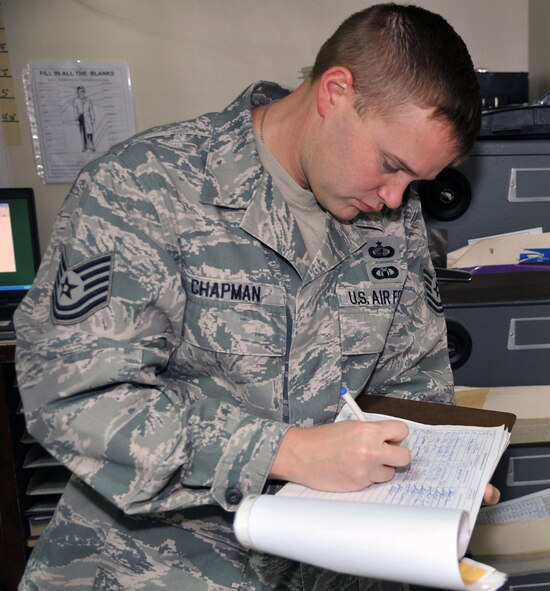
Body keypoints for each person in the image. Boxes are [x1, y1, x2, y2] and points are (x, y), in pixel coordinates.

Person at [15, 4, 489, 590]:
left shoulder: (389, 221)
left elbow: (412, 382)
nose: (396, 198)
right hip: (155, 565)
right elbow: (72, 397)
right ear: (335, 91)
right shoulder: (145, 187)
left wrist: (435, 472)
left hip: (331, 563)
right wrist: (285, 452)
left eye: (413, 181)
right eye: (390, 165)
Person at [72, 85, 95, 152]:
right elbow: (75, 111)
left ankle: (91, 145)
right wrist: (76, 119)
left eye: (82, 92)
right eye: (79, 92)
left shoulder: (88, 100)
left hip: (87, 117)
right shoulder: (76, 101)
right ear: (77, 92)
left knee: (90, 132)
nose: (81, 93)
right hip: (80, 117)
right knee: (83, 133)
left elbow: (91, 109)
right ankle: (84, 146)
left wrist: (92, 118)